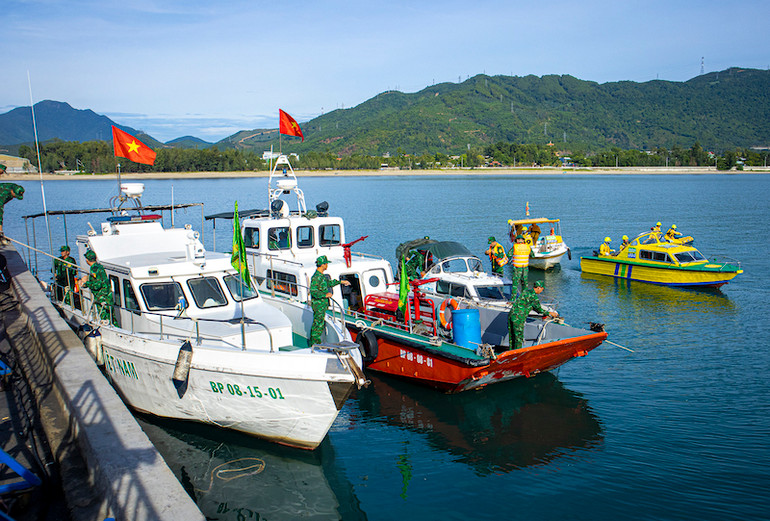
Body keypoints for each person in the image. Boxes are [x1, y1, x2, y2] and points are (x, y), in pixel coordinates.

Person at [309, 255, 350, 347]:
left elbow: (328, 283)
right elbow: (313, 291)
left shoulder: (322, 276)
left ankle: (317, 343)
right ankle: (314, 345)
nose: (327, 265)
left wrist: (341, 282)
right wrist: (325, 295)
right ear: (323, 265)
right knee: (317, 325)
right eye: (326, 263)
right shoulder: (316, 277)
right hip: (318, 305)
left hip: (322, 305)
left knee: (320, 324)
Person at [507, 280, 558, 350]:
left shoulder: (526, 292)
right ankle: (517, 354)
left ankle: (510, 353)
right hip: (518, 318)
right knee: (518, 339)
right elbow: (539, 310)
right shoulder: (534, 297)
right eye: (542, 289)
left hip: (511, 315)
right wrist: (549, 313)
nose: (541, 291)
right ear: (539, 288)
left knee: (512, 338)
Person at [79, 250, 114, 324]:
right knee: (111, 317)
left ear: (87, 260)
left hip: (102, 297)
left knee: (105, 318)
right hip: (108, 296)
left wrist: (85, 283)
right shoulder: (99, 266)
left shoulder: (94, 269)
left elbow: (97, 285)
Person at [0, 181, 24, 245]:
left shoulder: (14, 188)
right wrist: (1, 231)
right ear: (12, 191)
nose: (15, 197)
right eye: (15, 195)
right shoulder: (3, 193)